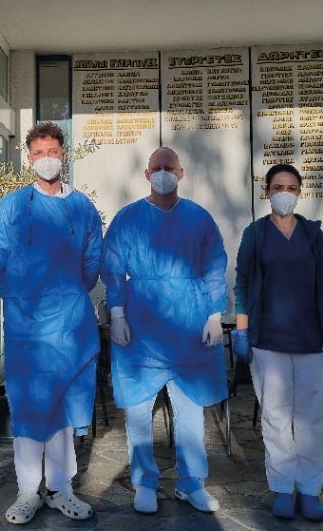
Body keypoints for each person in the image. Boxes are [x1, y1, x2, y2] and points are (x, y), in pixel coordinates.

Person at [0, 122, 103, 525]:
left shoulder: (82, 208)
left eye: (52, 151)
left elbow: (91, 262)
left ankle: (60, 488)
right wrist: (23, 300)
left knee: (63, 409)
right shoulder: (13, 207)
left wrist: (66, 295)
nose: (46, 159)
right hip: (28, 328)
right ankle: (26, 492)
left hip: (70, 325)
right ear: (29, 158)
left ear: (63, 154)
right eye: (38, 153)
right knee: (29, 407)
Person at [101, 147, 227, 515]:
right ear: (146, 174)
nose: (162, 173)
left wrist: (214, 314)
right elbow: (113, 269)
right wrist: (118, 314)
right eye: (156, 167)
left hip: (189, 329)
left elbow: (214, 266)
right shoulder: (129, 219)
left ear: (181, 172)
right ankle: (144, 482)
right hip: (141, 330)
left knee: (190, 412)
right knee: (139, 413)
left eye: (168, 167)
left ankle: (192, 484)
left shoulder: (199, 218)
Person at [231, 163, 323, 522]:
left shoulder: (312, 233)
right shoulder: (255, 233)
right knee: (276, 417)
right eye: (278, 187)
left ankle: (311, 490)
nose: (284, 193)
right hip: (267, 340)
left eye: (291, 188)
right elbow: (242, 284)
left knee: (311, 418)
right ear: (267, 192)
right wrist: (242, 331)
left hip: (310, 339)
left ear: (299, 192)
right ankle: (283, 488)